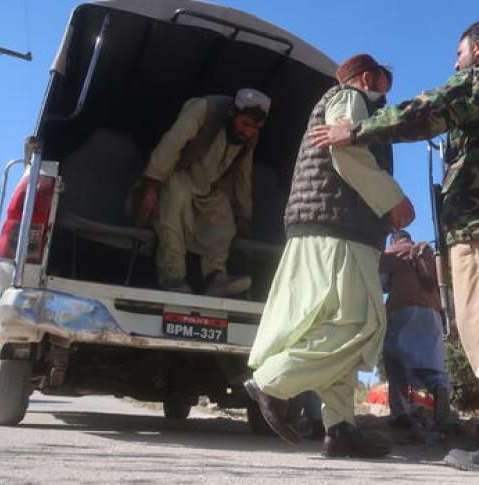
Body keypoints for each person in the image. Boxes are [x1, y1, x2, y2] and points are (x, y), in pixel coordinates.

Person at [310, 20, 479, 478]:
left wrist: (356, 132)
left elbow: (426, 111)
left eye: (459, 52)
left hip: (478, 226)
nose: (455, 61)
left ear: (478, 48)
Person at [244, 54, 416, 458]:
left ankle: (340, 429)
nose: (385, 98)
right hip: (340, 231)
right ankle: (273, 382)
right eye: (384, 87)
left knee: (331, 324)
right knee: (361, 323)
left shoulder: (340, 100)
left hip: (326, 229)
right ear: (369, 77)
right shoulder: (350, 97)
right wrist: (392, 201)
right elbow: (347, 152)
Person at [135, 88, 270, 296]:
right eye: (245, 124)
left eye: (255, 127)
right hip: (178, 176)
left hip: (207, 187)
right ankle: (172, 277)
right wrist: (152, 188)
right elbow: (171, 144)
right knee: (173, 206)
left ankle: (216, 277)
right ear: (233, 112)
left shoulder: (249, 138)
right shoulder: (205, 109)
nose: (249, 131)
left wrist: (243, 214)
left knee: (222, 215)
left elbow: (243, 175)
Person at [379, 230, 451, 429]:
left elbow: (381, 283)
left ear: (394, 239)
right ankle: (438, 386)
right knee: (431, 360)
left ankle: (400, 413)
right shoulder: (426, 251)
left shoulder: (391, 252)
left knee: (395, 360)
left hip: (401, 307)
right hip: (432, 311)